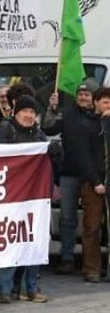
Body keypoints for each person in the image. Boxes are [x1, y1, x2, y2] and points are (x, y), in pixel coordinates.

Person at [0, 95, 50, 303]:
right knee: (9, 241)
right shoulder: (5, 130)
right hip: (9, 197)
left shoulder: (39, 135)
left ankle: (32, 288)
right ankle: (4, 290)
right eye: (25, 111)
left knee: (33, 241)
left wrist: (54, 153)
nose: (29, 115)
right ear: (16, 112)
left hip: (34, 198)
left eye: (32, 113)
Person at [43, 78, 104, 279]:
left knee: (92, 222)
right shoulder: (67, 114)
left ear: (95, 98)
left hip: (92, 177)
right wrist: (52, 109)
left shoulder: (102, 118)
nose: (83, 97)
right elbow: (49, 128)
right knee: (67, 218)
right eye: (80, 94)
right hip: (70, 173)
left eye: (87, 94)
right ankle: (67, 258)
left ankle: (91, 264)